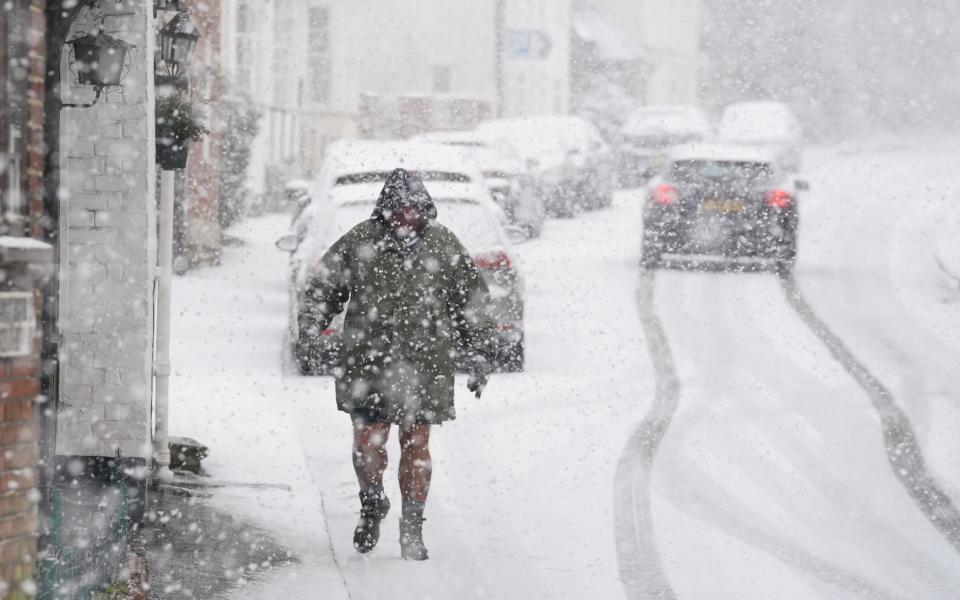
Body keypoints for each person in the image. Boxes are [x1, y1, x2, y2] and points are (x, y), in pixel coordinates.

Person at [300, 168, 494, 560]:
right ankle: (372, 503)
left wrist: (479, 352)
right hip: (368, 363)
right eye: (399, 209)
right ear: (385, 211)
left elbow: (471, 301)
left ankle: (412, 526)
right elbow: (324, 284)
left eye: (413, 208)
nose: (406, 216)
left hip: (426, 366)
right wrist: (311, 323)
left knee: (416, 444)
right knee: (368, 442)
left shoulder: (443, 245)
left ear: (425, 209)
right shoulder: (361, 240)